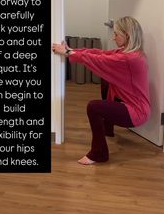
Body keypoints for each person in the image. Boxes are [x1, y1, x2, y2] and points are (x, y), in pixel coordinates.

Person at [52, 16, 150, 165]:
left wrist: (67, 53)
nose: (113, 37)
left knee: (94, 107)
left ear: (127, 36)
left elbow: (98, 60)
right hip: (129, 104)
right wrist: (70, 50)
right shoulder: (129, 53)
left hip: (136, 112)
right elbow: (99, 53)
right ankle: (108, 129)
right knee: (106, 80)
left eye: (116, 34)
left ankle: (99, 153)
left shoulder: (129, 59)